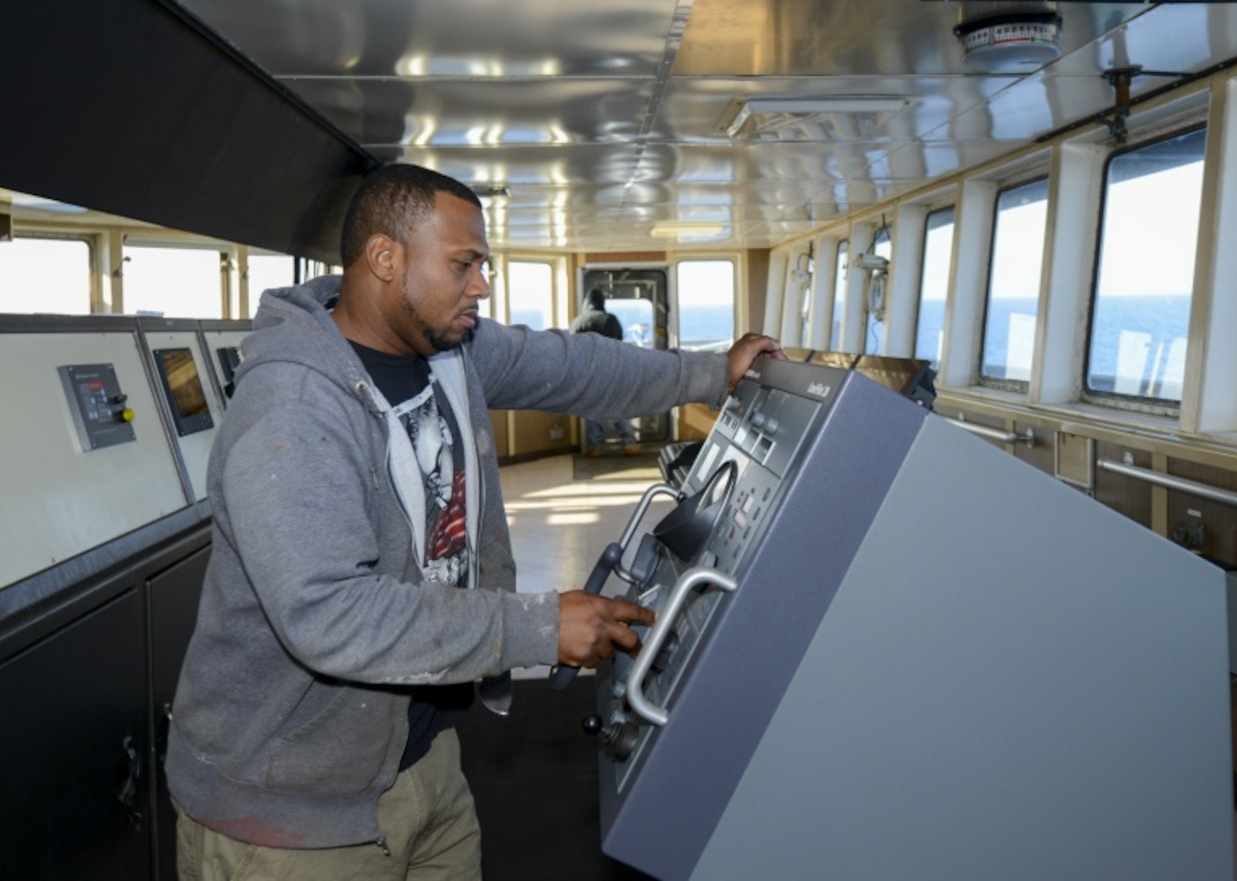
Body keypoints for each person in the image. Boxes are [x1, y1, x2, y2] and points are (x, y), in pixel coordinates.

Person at [166, 165, 783, 879]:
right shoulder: (295, 409)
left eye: (481, 264)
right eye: (463, 264)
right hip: (290, 807)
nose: (481, 286)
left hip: (418, 750)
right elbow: (329, 614)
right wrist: (537, 626)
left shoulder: (449, 349)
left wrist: (712, 373)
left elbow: (576, 368)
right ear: (385, 259)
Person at [570, 288, 638, 456]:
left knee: (592, 410)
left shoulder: (578, 322)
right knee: (619, 408)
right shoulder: (610, 320)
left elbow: (572, 350)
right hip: (612, 371)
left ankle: (595, 447)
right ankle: (629, 444)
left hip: (587, 374)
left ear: (586, 302)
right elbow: (620, 344)